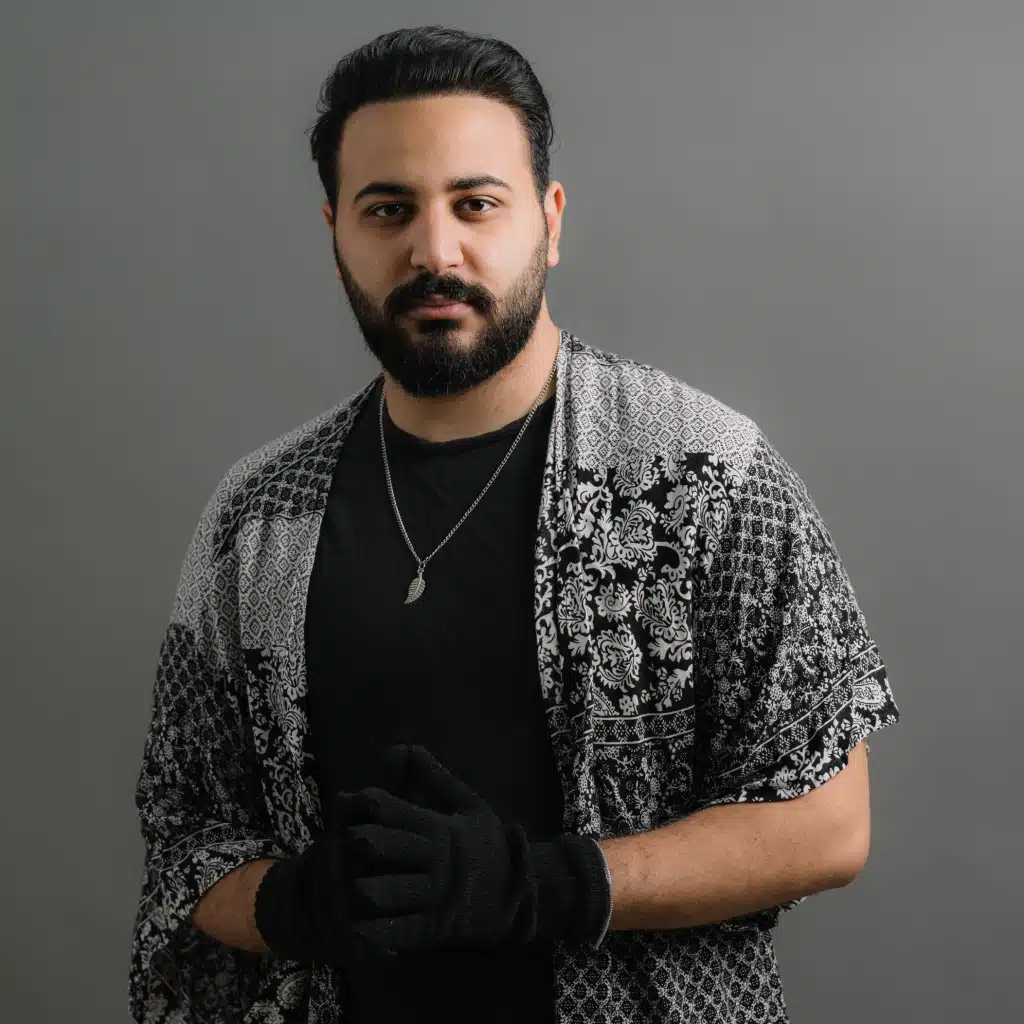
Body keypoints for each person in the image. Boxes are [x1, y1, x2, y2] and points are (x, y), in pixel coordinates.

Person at [128, 24, 901, 1024]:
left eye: (476, 203)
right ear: (335, 233)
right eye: (388, 209)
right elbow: (187, 834)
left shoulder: (703, 472)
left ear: (549, 219)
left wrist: (545, 884)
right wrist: (291, 903)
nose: (433, 250)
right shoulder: (256, 519)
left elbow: (828, 822)